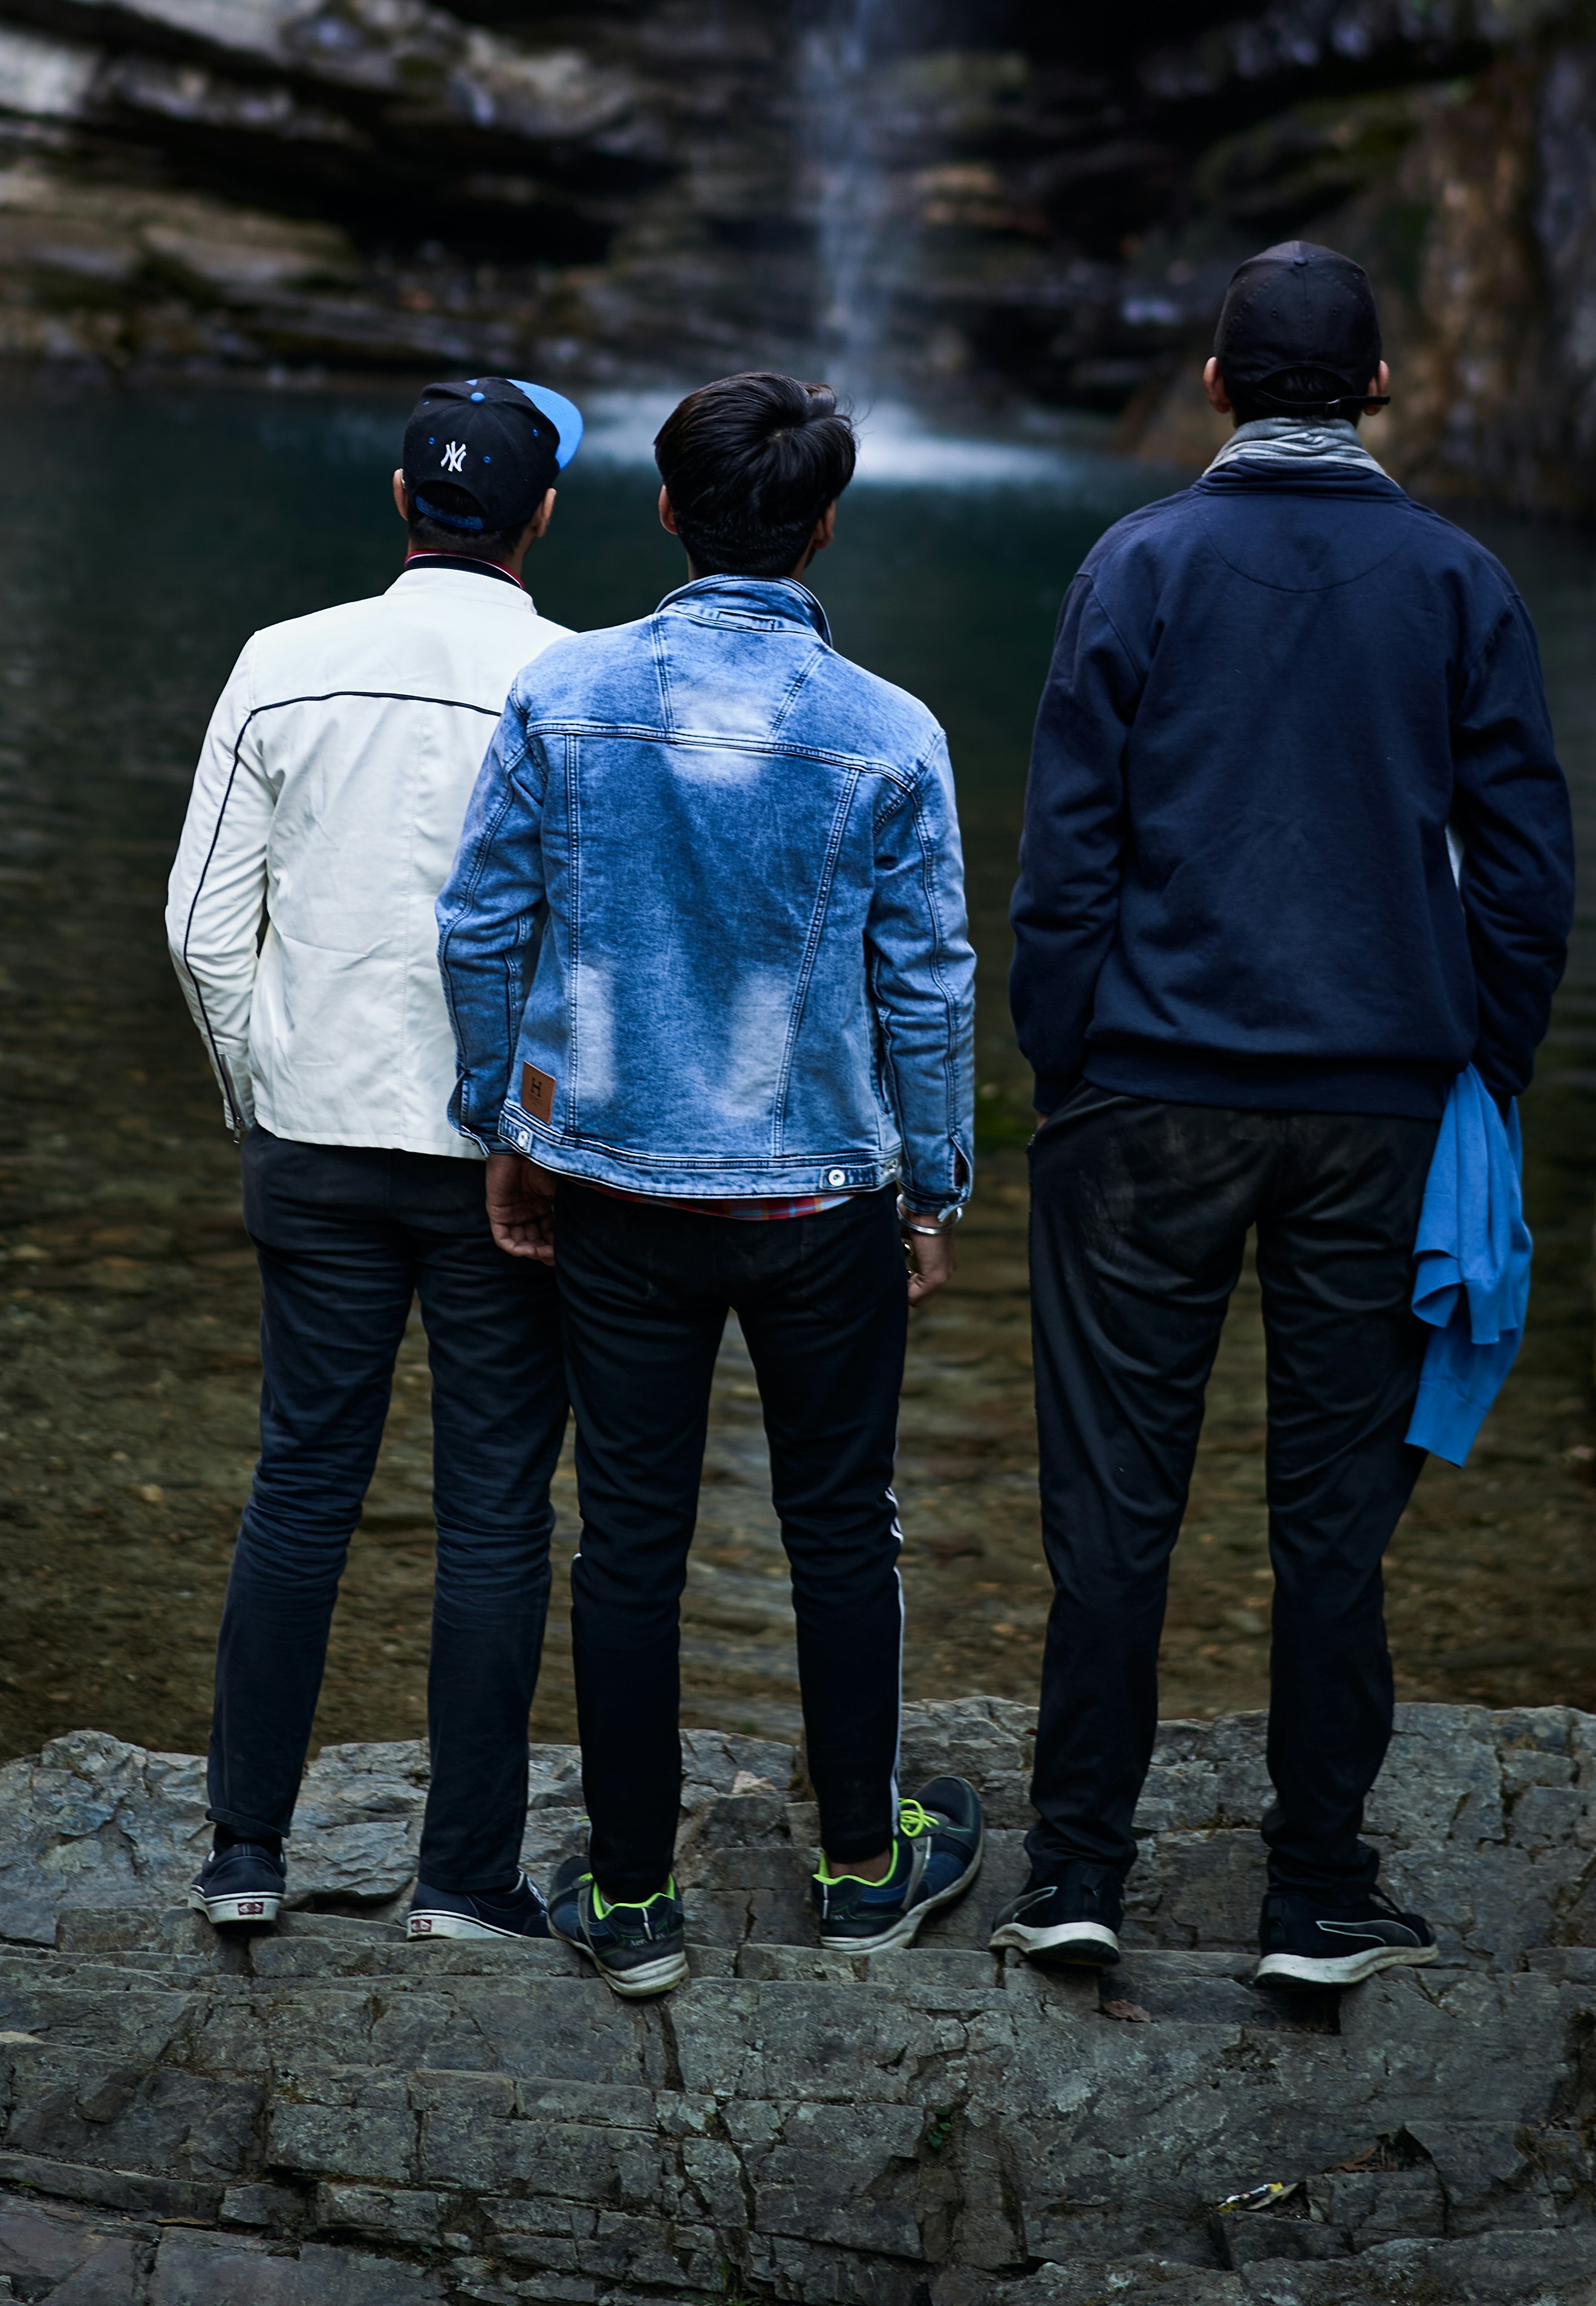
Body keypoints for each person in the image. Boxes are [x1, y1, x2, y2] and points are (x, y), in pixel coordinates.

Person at [995, 241, 1574, 1990]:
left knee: (1113, 1505)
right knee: (1333, 1519)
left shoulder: (1137, 564)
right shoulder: (1459, 582)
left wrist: (1065, 1064)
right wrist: (1489, 1062)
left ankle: (1078, 1872)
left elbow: (1064, 861)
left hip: (1147, 1096)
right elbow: (1531, 877)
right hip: (1380, 1108)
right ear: (1381, 389)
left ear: (1221, 386)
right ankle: (1315, 1891)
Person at [435, 371, 985, 1996]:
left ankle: (628, 1899)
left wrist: (509, 1127)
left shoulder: (566, 698)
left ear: (667, 511)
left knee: (627, 1547)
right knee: (842, 1532)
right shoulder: (891, 734)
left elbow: (479, 929)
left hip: (615, 1194)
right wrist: (931, 1186)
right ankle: (867, 1868)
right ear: (823, 527)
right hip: (821, 1200)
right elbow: (931, 983)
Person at [164, 374, 584, 1938]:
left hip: (315, 1141)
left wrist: (260, 1092)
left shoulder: (283, 665)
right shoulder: (575, 681)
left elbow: (201, 926)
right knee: (493, 1513)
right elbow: (586, 947)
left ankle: (245, 1857)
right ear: (543, 518)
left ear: (403, 504)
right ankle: (464, 1880)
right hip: (502, 1166)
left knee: (301, 1487)